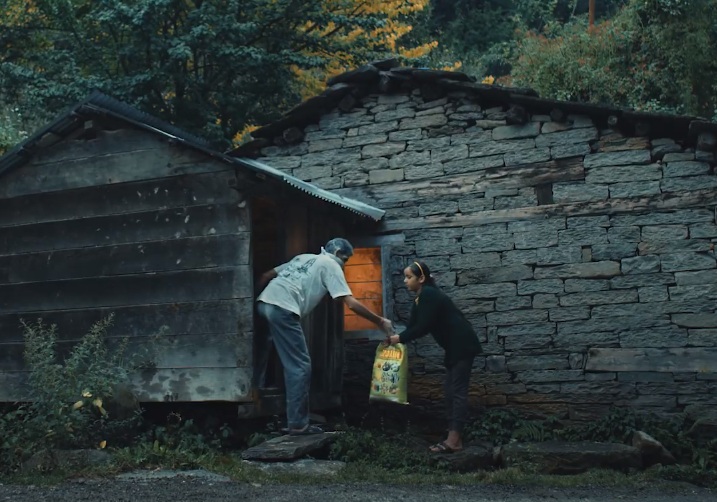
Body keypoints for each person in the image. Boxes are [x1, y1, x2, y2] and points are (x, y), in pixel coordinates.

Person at [256, 237, 394, 436]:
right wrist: (380, 321)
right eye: (345, 260)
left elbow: (267, 275)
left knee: (262, 353)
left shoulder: (304, 258)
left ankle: (256, 394)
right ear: (337, 253)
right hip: (283, 309)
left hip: (263, 303)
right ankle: (298, 424)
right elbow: (350, 303)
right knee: (300, 366)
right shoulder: (331, 264)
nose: (344, 265)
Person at [386, 260, 482, 453]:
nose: (405, 281)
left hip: (462, 345)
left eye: (409, 277)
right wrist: (396, 336)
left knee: (457, 393)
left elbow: (422, 327)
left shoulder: (429, 294)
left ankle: (454, 440)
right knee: (450, 392)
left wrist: (399, 338)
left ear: (421, 278)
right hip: (454, 347)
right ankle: (454, 438)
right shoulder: (421, 297)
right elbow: (413, 325)